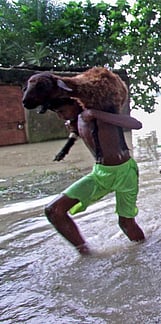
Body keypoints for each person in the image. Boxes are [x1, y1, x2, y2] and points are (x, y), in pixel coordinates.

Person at [44, 100, 145, 255]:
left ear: (76, 104)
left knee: (125, 223)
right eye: (57, 113)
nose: (60, 116)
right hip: (100, 173)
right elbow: (77, 134)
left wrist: (95, 114)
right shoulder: (77, 120)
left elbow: (136, 124)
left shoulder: (97, 113)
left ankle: (143, 250)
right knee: (54, 210)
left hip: (125, 173)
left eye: (62, 111)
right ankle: (86, 254)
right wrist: (69, 141)